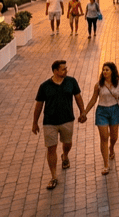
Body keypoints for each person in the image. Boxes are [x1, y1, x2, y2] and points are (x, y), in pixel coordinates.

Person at [32, 60, 86, 191]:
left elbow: (78, 97)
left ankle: (65, 155)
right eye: (63, 69)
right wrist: (35, 122)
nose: (66, 71)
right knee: (51, 148)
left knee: (67, 143)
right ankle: (54, 176)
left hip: (67, 119)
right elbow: (39, 105)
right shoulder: (44, 86)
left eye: (66, 68)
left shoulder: (71, 82)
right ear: (55, 71)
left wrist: (82, 112)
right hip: (49, 122)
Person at [81, 62, 119, 176]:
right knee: (104, 137)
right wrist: (85, 112)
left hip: (115, 111)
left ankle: (111, 148)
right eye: (103, 70)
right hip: (102, 111)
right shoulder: (98, 85)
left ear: (112, 71)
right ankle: (106, 165)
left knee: (114, 136)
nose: (105, 72)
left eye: (107, 70)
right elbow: (93, 100)